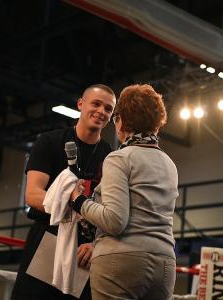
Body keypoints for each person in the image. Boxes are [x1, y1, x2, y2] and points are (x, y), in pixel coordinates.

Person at [70, 83, 178, 300]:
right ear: (156, 124)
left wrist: (78, 199)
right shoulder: (169, 163)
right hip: (165, 263)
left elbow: (114, 220)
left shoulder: (120, 158)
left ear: (121, 121)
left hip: (120, 260)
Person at [11, 84, 116, 300]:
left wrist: (96, 242)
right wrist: (77, 209)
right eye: (96, 104)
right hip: (49, 236)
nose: (101, 112)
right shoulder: (50, 141)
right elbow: (32, 195)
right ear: (80, 104)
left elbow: (113, 210)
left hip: (84, 249)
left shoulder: (112, 158)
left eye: (108, 108)